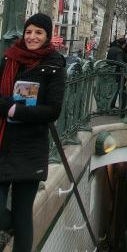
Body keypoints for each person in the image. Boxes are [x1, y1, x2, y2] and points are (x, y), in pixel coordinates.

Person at [0, 13, 66, 252]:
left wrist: (16, 110)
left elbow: (53, 110)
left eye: (38, 32)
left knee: (23, 213)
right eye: (29, 31)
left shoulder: (55, 65)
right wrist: (7, 107)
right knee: (14, 219)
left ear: (47, 36)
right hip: (3, 143)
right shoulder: (10, 58)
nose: (32, 37)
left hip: (30, 148)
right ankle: (13, 227)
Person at [107, 36, 127, 109]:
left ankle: (110, 105)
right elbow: (119, 61)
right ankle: (112, 106)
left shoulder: (111, 48)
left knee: (111, 89)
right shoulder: (119, 51)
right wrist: (126, 66)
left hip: (110, 71)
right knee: (116, 89)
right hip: (117, 72)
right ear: (124, 44)